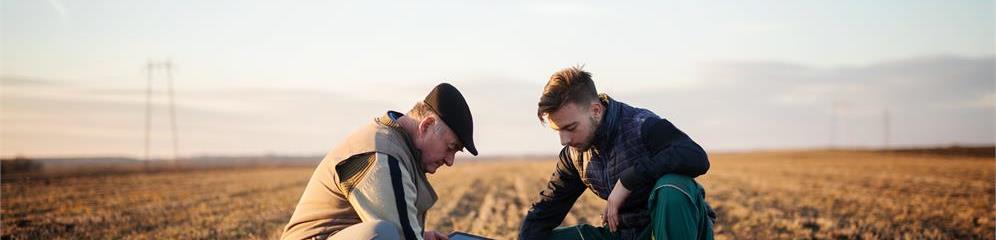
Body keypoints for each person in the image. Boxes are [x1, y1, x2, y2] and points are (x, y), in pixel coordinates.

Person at [519, 67, 715, 240]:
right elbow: (545, 211)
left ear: (595, 110)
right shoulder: (574, 154)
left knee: (673, 186)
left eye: (571, 128)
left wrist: (629, 180)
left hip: (670, 229)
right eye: (558, 130)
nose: (564, 140)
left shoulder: (641, 125)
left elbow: (695, 156)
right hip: (624, 234)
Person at [281, 83, 478, 240]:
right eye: (451, 147)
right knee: (382, 234)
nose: (450, 160)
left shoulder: (396, 145)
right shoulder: (383, 156)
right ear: (426, 126)